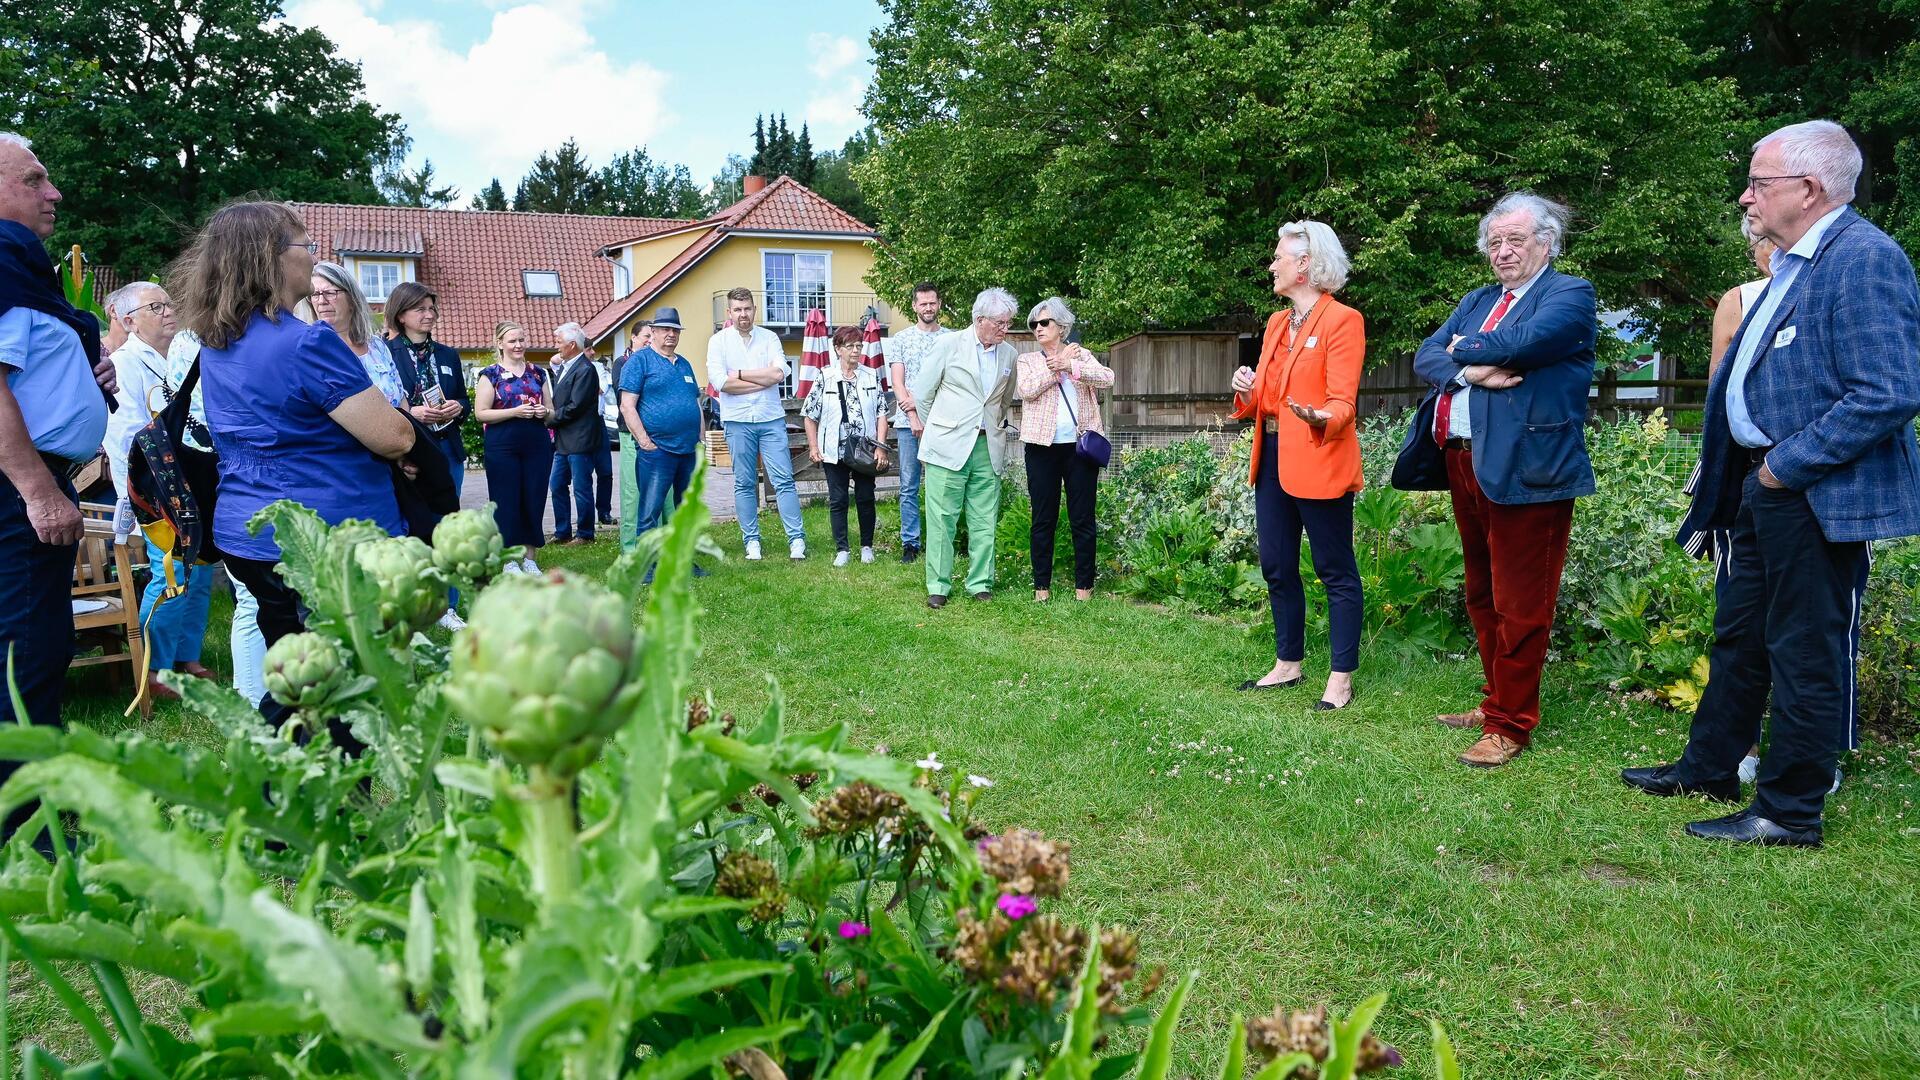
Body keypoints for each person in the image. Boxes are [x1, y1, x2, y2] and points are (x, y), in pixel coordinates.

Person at [1623, 120, 1920, 847]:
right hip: (1768, 485)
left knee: (1803, 648)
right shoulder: (1798, 261)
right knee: (1741, 636)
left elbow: (1888, 390)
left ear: (1810, 189)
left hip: (1811, 489)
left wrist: (1786, 466)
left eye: (1759, 181)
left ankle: (1789, 810)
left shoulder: (1863, 260)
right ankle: (1712, 766)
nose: (1746, 196)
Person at [171, 200, 413, 733]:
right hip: (320, 536)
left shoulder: (218, 340)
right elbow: (393, 437)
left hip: (248, 531)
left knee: (293, 668)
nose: (314, 257)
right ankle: (331, 799)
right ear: (272, 259)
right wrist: (409, 425)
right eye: (306, 246)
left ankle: (282, 780)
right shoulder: (307, 342)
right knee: (338, 691)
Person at [1409, 191, 1597, 769]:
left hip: (1528, 466)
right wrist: (1473, 369)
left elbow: (1520, 343)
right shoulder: (1479, 299)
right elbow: (1424, 355)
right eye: (1495, 242)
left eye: (1516, 240)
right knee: (1483, 592)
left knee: (1522, 599)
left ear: (1547, 242)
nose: (1503, 251)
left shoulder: (1568, 294)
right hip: (1464, 459)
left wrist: (1460, 351)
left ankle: (1511, 725)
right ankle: (1497, 702)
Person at [0, 132, 115, 810]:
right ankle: (24, 832)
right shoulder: (5, 260)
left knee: (37, 643)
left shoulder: (21, 267)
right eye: (34, 180)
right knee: (24, 653)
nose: (55, 193)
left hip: (33, 480)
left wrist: (85, 369)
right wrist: (39, 492)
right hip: (20, 489)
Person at [1230, 221, 1366, 710]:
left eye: (1279, 258)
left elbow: (1343, 402)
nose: (1272, 265)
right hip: (1272, 460)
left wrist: (1321, 417)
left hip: (1319, 456)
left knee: (1335, 570)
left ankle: (1340, 677)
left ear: (1305, 265)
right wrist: (1247, 389)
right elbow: (1265, 400)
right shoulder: (1274, 323)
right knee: (1277, 565)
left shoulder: (1342, 320)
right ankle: (1288, 663)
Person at [103, 282, 218, 701]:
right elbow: (124, 439)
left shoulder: (183, 355)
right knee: (171, 573)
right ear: (128, 320)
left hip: (195, 479)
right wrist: (133, 500)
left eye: (170, 303)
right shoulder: (125, 363)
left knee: (201, 570)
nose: (169, 311)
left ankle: (187, 656)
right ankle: (156, 669)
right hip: (157, 489)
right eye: (156, 306)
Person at [911, 287, 1019, 607]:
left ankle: (980, 583)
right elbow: (923, 394)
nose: (1005, 329)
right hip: (948, 445)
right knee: (942, 517)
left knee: (984, 517)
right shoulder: (947, 344)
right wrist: (944, 427)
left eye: (1008, 323)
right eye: (1000, 323)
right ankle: (938, 587)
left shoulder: (1009, 355)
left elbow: (1003, 401)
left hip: (988, 446)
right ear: (980, 319)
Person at [1015, 296, 1112, 603]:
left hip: (1079, 450)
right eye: (1034, 324)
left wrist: (1071, 365)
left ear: (1061, 326)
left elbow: (1108, 378)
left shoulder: (1081, 355)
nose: (1038, 328)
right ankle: (1041, 588)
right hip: (1041, 449)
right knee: (1043, 518)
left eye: (1045, 322)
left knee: (1082, 518)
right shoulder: (1028, 360)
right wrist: (1054, 370)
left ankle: (1084, 589)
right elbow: (1026, 391)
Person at [707, 286, 805, 560]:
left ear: (754, 309)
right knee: (744, 482)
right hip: (737, 421)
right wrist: (761, 382)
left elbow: (779, 373)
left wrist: (739, 374)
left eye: (747, 309)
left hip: (770, 418)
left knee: (784, 479)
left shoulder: (769, 337)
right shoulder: (719, 342)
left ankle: (796, 539)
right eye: (737, 310)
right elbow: (720, 383)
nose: (743, 315)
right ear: (729, 312)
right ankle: (752, 541)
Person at [619, 308, 706, 560]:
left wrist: (700, 438)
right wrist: (645, 442)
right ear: (653, 332)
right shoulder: (640, 361)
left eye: (675, 330)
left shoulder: (684, 363)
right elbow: (627, 405)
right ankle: (646, 564)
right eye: (665, 329)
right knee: (649, 511)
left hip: (687, 450)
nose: (671, 334)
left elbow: (695, 403)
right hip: (657, 451)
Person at [804, 325, 891, 565]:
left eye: (858, 345)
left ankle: (866, 546)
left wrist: (881, 446)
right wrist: (813, 447)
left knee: (865, 497)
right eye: (850, 346)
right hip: (834, 449)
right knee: (838, 499)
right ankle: (842, 549)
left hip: (865, 450)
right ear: (838, 349)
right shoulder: (825, 376)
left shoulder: (871, 376)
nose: (856, 350)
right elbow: (810, 415)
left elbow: (882, 413)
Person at [474, 321, 550, 572]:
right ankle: (508, 561)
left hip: (536, 443)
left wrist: (543, 411)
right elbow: (481, 414)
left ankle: (530, 559)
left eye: (521, 340)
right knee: (506, 501)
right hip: (502, 445)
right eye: (512, 341)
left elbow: (552, 411)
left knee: (534, 498)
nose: (518, 345)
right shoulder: (491, 374)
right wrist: (514, 411)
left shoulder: (539, 373)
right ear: (500, 344)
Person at [885, 282, 951, 562]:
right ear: (914, 306)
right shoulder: (901, 339)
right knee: (909, 485)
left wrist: (929, 411)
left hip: (942, 422)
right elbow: (898, 383)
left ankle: (943, 538)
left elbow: (951, 382)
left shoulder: (951, 339)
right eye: (922, 303)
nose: (928, 308)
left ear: (939, 305)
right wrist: (913, 414)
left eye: (932, 303)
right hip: (906, 423)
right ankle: (911, 544)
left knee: (944, 484)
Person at [383, 282, 470, 495]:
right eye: (420, 309)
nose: (429, 314)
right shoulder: (385, 353)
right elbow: (377, 405)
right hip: (410, 449)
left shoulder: (448, 354)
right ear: (401, 315)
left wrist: (457, 407)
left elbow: (464, 400)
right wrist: (411, 412)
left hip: (448, 448)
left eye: (431, 308)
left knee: (449, 518)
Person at [310, 262, 406, 406]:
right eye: (315, 294)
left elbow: (401, 398)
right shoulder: (312, 353)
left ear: (352, 299)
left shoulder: (377, 346)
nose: (321, 301)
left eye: (330, 293)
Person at [544, 322, 603, 545]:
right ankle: (562, 531)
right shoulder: (568, 365)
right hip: (563, 440)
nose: (556, 346)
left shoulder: (585, 369)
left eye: (559, 342)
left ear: (571, 345)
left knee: (581, 487)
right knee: (557, 485)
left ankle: (585, 533)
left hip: (580, 439)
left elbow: (576, 406)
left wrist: (550, 418)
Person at [611, 319, 652, 551]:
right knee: (632, 492)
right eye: (646, 335)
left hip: (656, 432)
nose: (649, 340)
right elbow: (624, 398)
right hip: (630, 433)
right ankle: (631, 547)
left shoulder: (655, 360)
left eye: (651, 336)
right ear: (634, 338)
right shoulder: (622, 363)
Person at [591, 345, 617, 531]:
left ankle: (604, 512)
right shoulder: (566, 366)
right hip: (577, 425)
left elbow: (601, 389)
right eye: (588, 349)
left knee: (605, 471)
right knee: (580, 475)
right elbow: (554, 361)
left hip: (597, 421)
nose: (593, 352)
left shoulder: (598, 368)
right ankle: (584, 518)